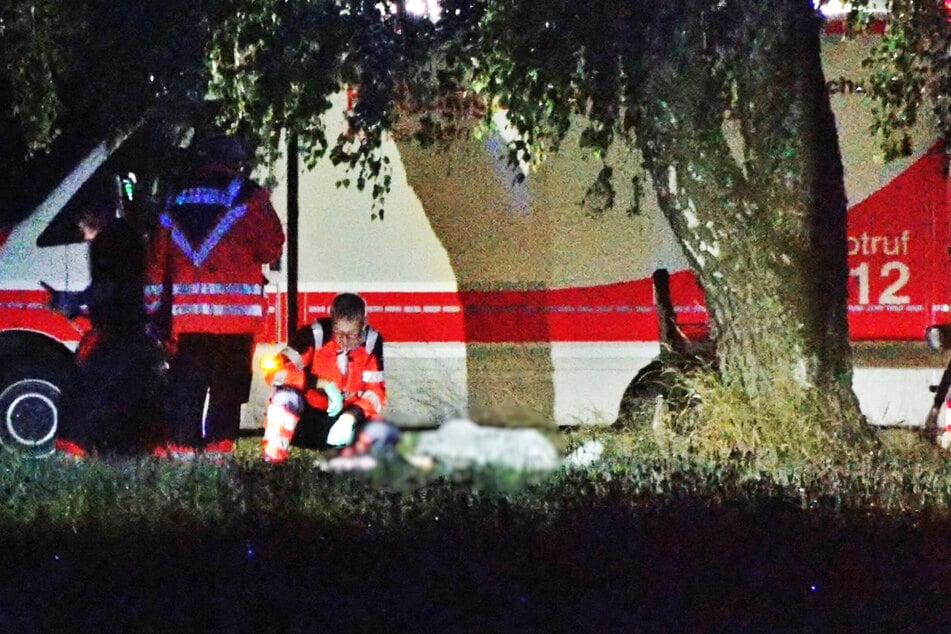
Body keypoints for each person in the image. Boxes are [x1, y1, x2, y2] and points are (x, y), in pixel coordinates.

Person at [145, 133, 284, 458]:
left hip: (189, 324)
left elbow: (156, 261)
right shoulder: (250, 197)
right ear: (237, 163)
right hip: (237, 325)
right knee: (226, 397)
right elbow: (271, 246)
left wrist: (153, 311)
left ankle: (182, 465)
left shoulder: (175, 199)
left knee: (186, 394)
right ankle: (218, 464)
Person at [50, 199, 162, 457]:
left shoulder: (108, 242)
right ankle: (131, 451)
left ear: (94, 216)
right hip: (134, 332)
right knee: (131, 396)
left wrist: (74, 301)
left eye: (83, 224)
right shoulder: (129, 238)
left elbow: (110, 288)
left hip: (117, 332)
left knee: (87, 393)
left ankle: (72, 450)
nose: (83, 233)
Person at [261, 292, 399, 463]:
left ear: (363, 325)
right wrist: (319, 383)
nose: (345, 341)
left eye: (352, 334)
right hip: (308, 417)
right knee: (284, 399)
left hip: (345, 419)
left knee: (380, 430)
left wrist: (352, 416)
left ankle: (351, 479)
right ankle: (272, 463)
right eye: (339, 332)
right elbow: (275, 373)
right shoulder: (314, 335)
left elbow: (375, 393)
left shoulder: (372, 343)